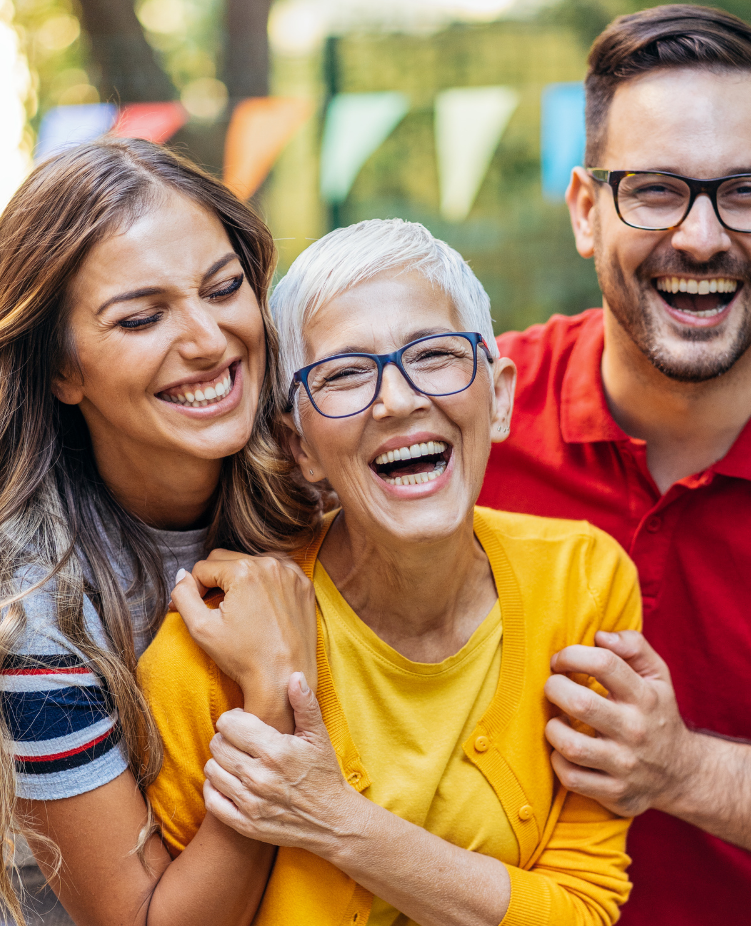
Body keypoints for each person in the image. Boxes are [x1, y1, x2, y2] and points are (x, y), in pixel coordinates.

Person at [476, 4, 751, 925]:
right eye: (655, 189)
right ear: (587, 210)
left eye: (746, 191)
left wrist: (683, 770)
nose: (700, 237)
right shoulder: (472, 418)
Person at [139, 218, 643, 926]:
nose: (399, 399)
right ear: (299, 447)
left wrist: (334, 818)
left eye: (434, 356)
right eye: (345, 374)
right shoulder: (206, 656)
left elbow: (583, 908)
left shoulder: (584, 581)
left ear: (497, 397)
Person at [0, 139, 321, 926]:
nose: (208, 339)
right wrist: (274, 695)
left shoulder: (308, 479)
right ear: (62, 370)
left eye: (224, 289)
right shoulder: (25, 607)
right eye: (143, 317)